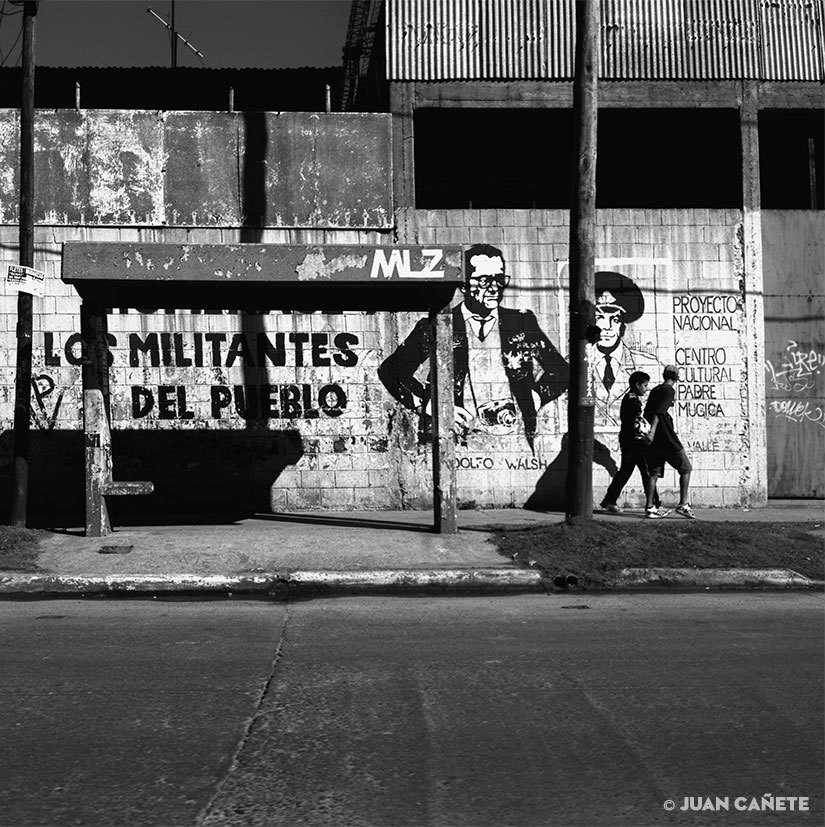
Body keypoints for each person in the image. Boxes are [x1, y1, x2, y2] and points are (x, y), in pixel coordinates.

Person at [378, 243, 568, 450]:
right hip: (460, 443)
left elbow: (562, 372)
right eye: (485, 281)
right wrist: (428, 404)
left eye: (499, 280)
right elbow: (391, 371)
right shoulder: (438, 325)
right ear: (464, 285)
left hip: (516, 442)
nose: (494, 288)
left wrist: (536, 395)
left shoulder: (521, 322)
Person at [591, 271, 661, 430]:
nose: (607, 327)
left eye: (614, 319)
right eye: (599, 318)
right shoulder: (574, 364)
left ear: (622, 326)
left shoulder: (649, 365)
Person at [599, 371, 668, 516]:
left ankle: (609, 501)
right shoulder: (632, 400)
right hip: (635, 442)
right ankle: (654, 504)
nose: (646, 388)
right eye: (644, 385)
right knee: (647, 473)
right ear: (637, 385)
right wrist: (646, 435)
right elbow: (635, 423)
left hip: (628, 441)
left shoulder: (631, 398)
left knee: (625, 472)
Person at [644, 365, 696, 519]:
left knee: (653, 474)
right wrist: (654, 431)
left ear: (663, 375)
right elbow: (659, 412)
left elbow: (648, 412)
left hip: (655, 442)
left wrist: (651, 434)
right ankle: (683, 504)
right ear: (676, 376)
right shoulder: (669, 391)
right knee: (686, 468)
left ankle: (649, 507)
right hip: (667, 439)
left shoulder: (655, 390)